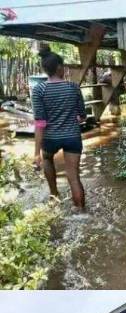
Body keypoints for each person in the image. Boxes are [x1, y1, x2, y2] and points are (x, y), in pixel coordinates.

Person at [32, 44, 87, 210]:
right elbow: (82, 116)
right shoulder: (73, 87)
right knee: (73, 177)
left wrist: (36, 153)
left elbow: (40, 123)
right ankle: (82, 213)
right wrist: (72, 119)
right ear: (59, 67)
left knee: (47, 158)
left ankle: (54, 194)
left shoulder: (39, 90)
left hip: (50, 139)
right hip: (72, 137)